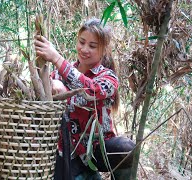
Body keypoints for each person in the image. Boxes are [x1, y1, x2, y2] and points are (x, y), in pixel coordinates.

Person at [34, 18, 135, 180]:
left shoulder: (108, 77)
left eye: (92, 46)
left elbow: (92, 91)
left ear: (104, 50)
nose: (84, 49)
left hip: (97, 151)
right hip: (68, 151)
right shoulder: (57, 75)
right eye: (82, 42)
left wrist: (57, 61)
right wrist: (52, 85)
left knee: (126, 149)